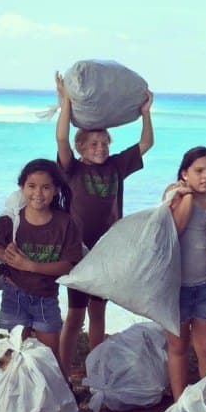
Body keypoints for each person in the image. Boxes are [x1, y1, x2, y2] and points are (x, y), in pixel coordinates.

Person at [54, 72, 154, 375]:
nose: (100, 148)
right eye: (93, 143)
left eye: (103, 143)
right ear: (81, 147)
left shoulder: (116, 167)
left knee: (99, 313)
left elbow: (146, 143)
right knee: (74, 315)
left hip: (108, 251)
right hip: (78, 252)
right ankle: (62, 368)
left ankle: (96, 371)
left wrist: (146, 114)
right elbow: (61, 137)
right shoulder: (71, 169)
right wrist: (66, 104)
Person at [0, 159, 82, 368]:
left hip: (46, 298)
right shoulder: (11, 219)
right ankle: (6, 390)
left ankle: (58, 394)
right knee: (13, 350)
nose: (38, 193)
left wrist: (29, 265)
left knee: (49, 356)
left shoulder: (64, 223)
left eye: (46, 187)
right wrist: (7, 256)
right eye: (31, 186)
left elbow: (68, 265)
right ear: (22, 187)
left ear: (56, 190)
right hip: (14, 294)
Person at [164, 146, 206, 400]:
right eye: (199, 171)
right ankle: (180, 403)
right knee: (177, 346)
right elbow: (175, 228)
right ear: (185, 173)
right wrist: (186, 196)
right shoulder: (173, 195)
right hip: (176, 287)